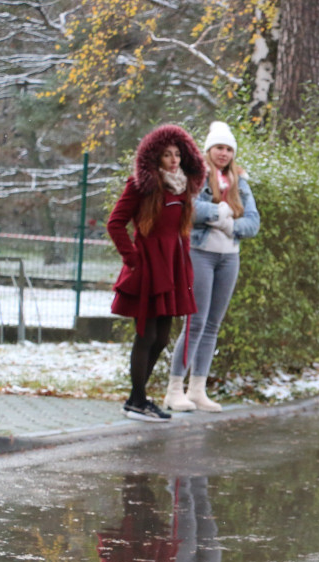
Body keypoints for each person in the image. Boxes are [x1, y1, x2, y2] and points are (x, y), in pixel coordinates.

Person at [106, 124, 205, 422]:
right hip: (147, 268)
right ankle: (137, 401)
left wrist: (184, 267)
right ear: (155, 157)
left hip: (172, 268)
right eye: (167, 155)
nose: (173, 160)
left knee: (161, 338)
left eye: (177, 154)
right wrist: (133, 258)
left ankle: (136, 399)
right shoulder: (140, 186)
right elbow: (115, 223)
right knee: (145, 335)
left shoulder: (182, 187)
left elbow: (180, 232)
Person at [163, 121, 260, 412]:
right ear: (208, 150)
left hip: (229, 257)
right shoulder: (196, 177)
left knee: (213, 326)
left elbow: (253, 222)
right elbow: (187, 208)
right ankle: (173, 389)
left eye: (229, 149)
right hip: (200, 254)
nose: (224, 153)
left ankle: (197, 389)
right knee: (195, 323)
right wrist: (219, 213)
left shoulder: (240, 182)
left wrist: (229, 223)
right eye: (219, 147)